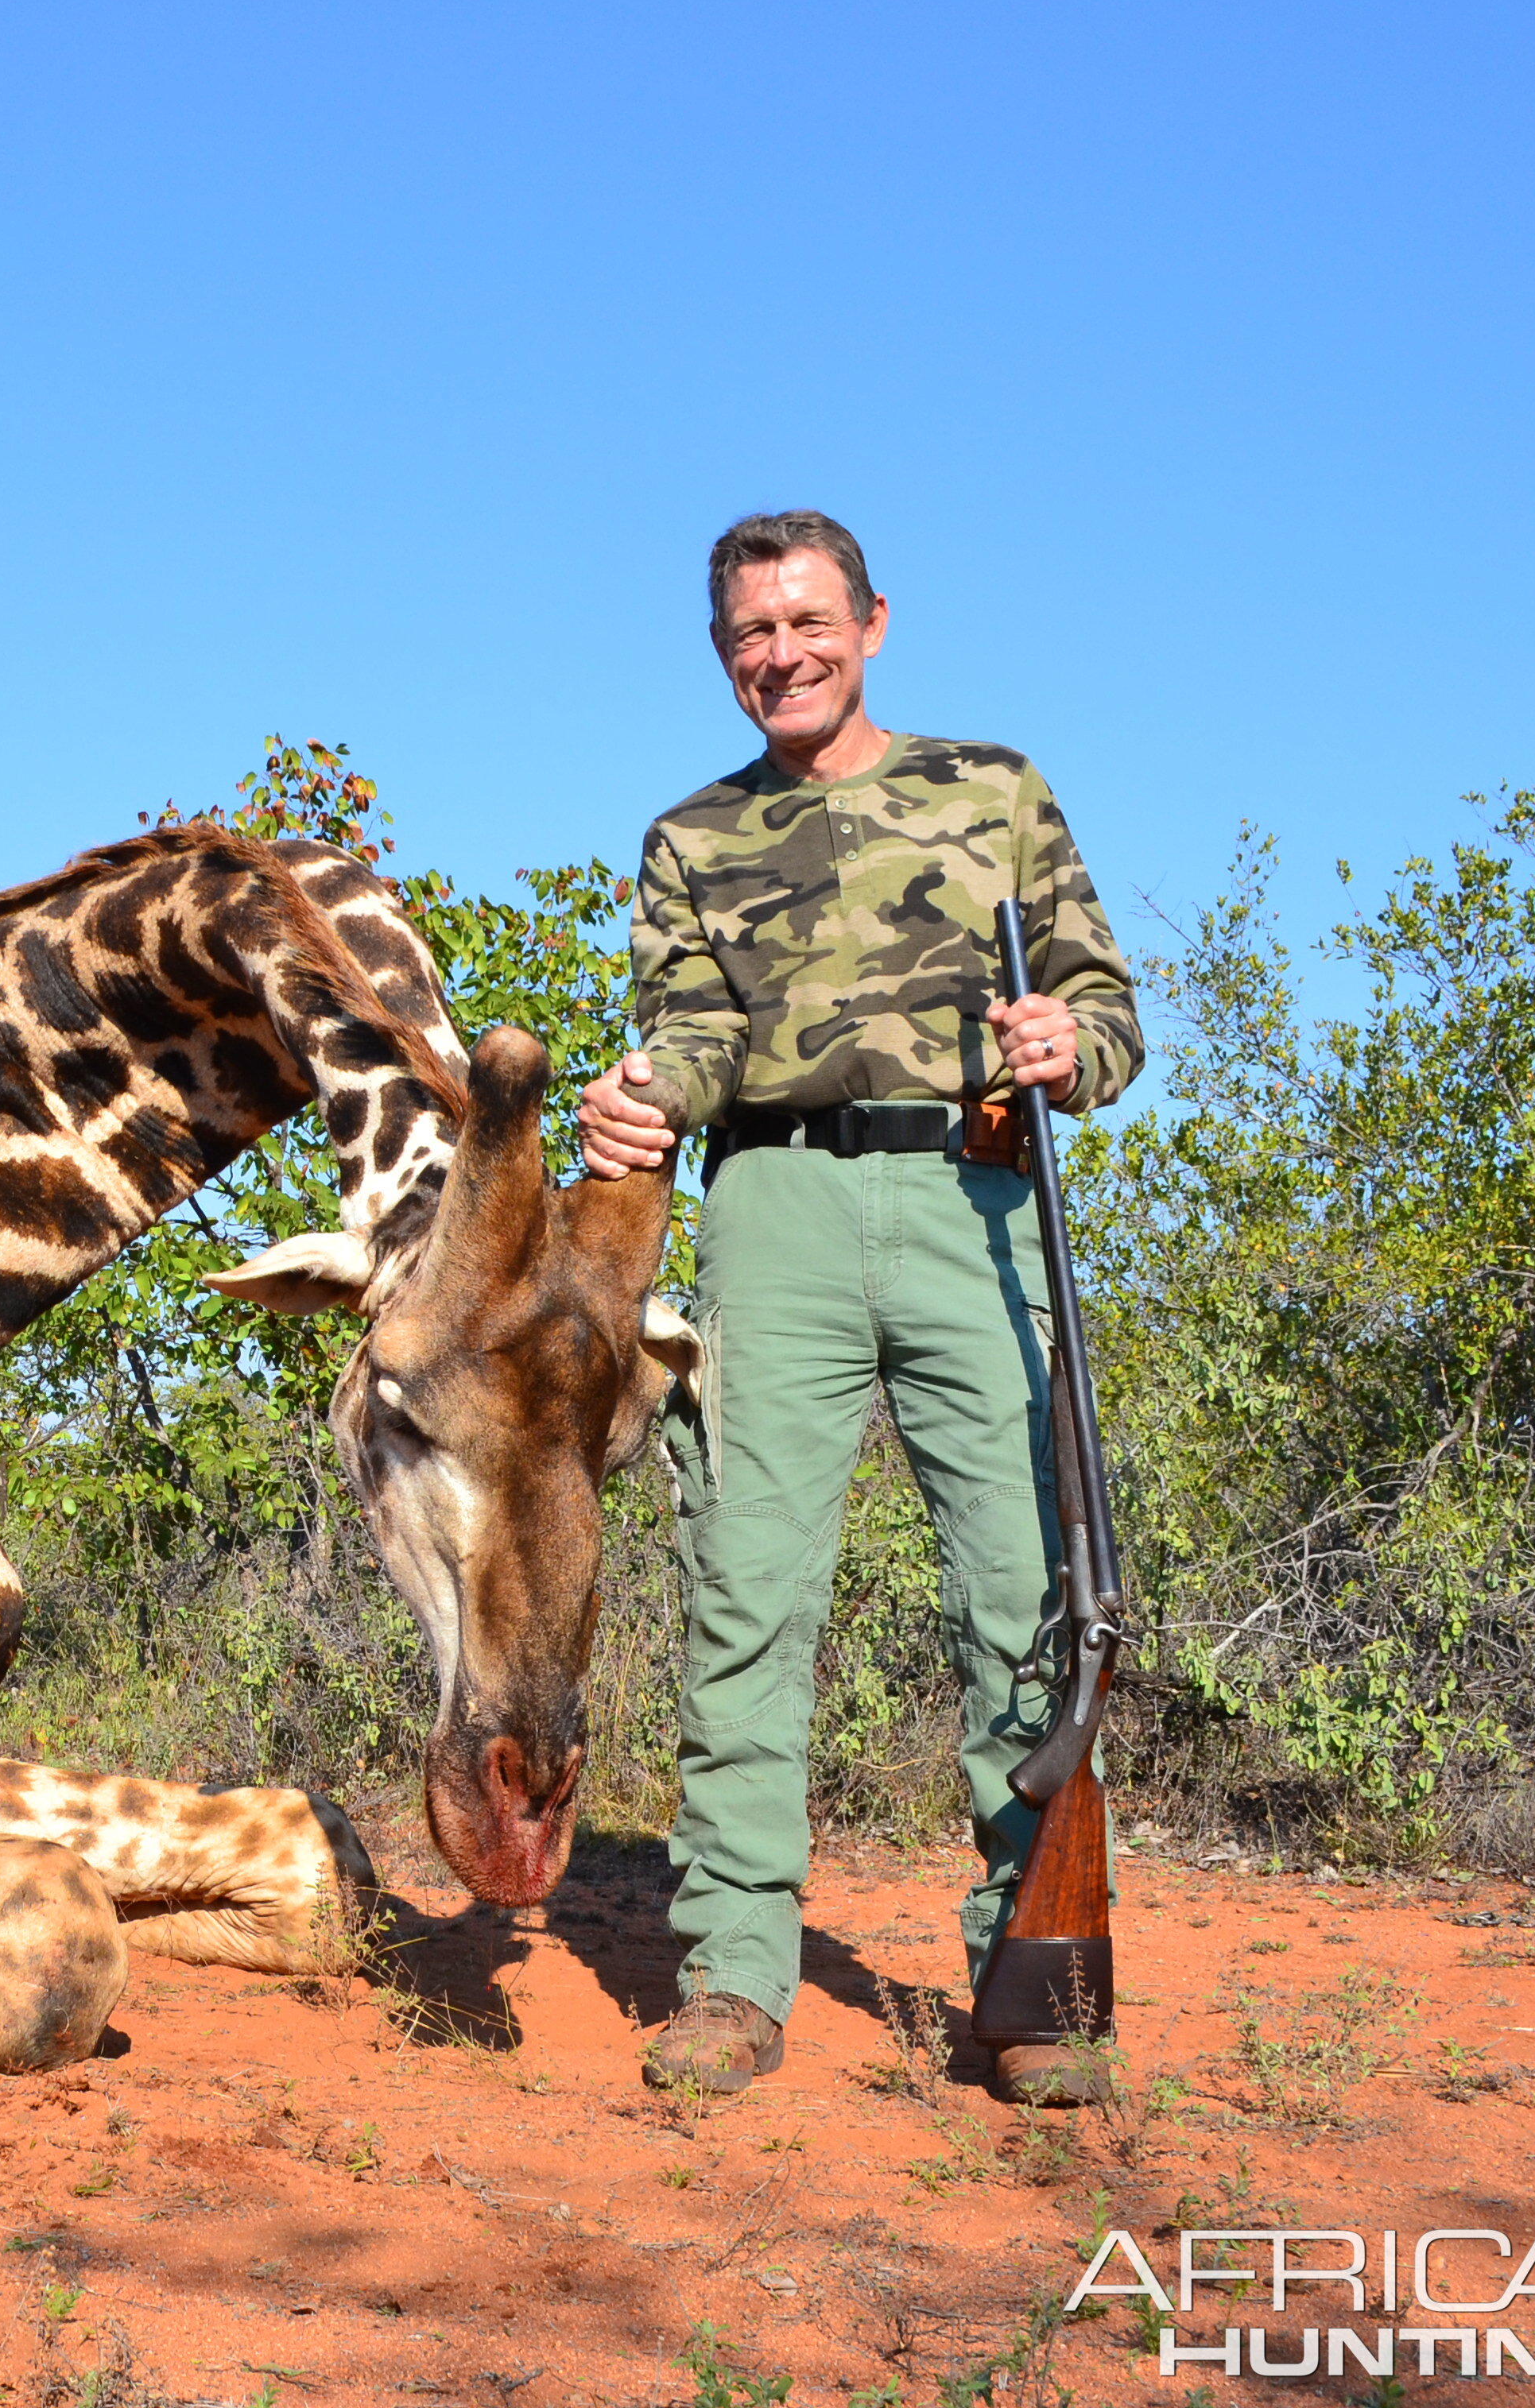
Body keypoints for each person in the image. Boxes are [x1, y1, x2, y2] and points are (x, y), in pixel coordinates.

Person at [576, 509, 1143, 2108]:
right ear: (723, 655)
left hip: (975, 1201)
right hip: (775, 1211)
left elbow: (1107, 1017)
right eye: (751, 633)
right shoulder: (691, 836)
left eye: (808, 622)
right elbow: (688, 1032)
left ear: (875, 623)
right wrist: (642, 1103)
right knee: (750, 1593)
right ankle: (735, 1979)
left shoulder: (994, 787)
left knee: (1023, 1592)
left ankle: (1035, 1990)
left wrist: (1063, 1052)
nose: (783, 654)